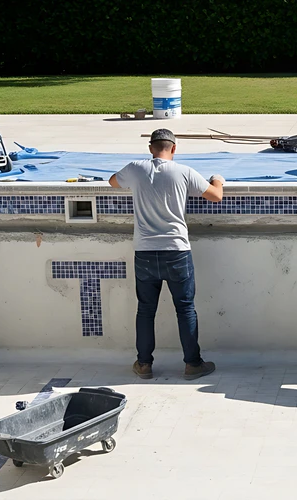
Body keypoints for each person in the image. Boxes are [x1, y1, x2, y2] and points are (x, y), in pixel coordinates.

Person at [109, 128, 225, 380]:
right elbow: (216, 196)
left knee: (145, 310)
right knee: (185, 309)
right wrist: (218, 179)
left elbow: (112, 181)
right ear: (174, 148)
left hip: (145, 252)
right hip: (177, 252)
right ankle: (193, 364)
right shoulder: (184, 172)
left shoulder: (136, 168)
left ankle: (144, 364)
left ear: (151, 148)